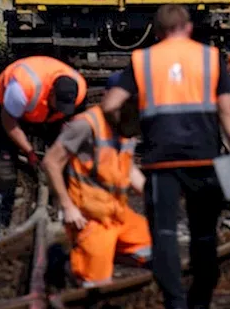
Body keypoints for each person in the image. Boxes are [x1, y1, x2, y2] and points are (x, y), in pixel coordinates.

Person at [102, 4, 230, 309]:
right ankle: (201, 305)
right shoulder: (210, 58)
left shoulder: (143, 59)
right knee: (204, 235)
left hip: (160, 161)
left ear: (156, 32)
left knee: (164, 234)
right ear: (188, 27)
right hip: (204, 158)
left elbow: (111, 104)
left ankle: (175, 305)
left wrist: (128, 128)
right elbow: (229, 111)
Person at [42, 83, 153, 287]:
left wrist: (152, 194)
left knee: (157, 248)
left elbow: (127, 167)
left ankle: (97, 254)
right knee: (97, 285)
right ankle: (69, 264)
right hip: (89, 217)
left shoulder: (128, 125)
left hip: (117, 213)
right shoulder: (86, 125)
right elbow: (50, 161)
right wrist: (67, 207)